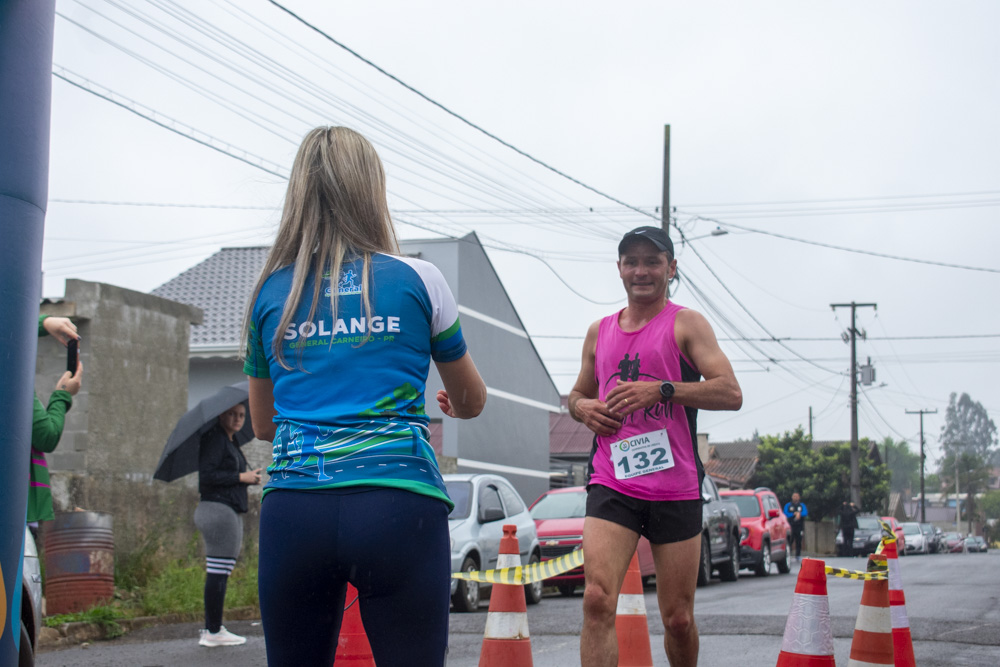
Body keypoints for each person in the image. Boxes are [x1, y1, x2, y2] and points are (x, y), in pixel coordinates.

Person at [242, 126, 486, 666]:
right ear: (371, 190)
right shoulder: (419, 278)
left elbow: (263, 424)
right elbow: (471, 399)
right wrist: (454, 404)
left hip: (295, 509)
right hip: (398, 504)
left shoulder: (270, 291)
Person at [569, 226, 742, 667]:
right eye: (632, 261)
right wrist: (584, 409)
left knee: (678, 618)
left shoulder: (686, 323)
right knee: (596, 598)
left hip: (675, 487)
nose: (641, 271)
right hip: (613, 479)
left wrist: (661, 391)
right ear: (620, 269)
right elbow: (576, 395)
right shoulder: (599, 331)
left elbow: (730, 393)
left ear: (671, 268)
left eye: (652, 261)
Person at [195, 402, 261, 647]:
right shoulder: (215, 439)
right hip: (217, 509)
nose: (237, 419)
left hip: (224, 509)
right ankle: (212, 631)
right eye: (232, 414)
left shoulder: (229, 441)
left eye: (242, 415)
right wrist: (240, 476)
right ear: (221, 414)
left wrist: (247, 478)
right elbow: (207, 477)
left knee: (221, 569)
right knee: (218, 569)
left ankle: (213, 628)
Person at [28, 315, 84, 540]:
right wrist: (62, 395)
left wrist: (43, 323)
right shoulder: (9, 376)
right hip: (15, 508)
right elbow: (45, 436)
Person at [783, 491, 808, 562]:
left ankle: (798, 555)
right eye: (794, 496)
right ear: (792, 497)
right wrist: (794, 514)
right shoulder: (788, 505)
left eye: (797, 496)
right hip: (790, 526)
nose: (795, 498)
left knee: (799, 541)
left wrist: (799, 514)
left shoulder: (802, 505)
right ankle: (788, 554)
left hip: (799, 526)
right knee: (790, 540)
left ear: (799, 497)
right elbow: (785, 513)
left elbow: (805, 513)